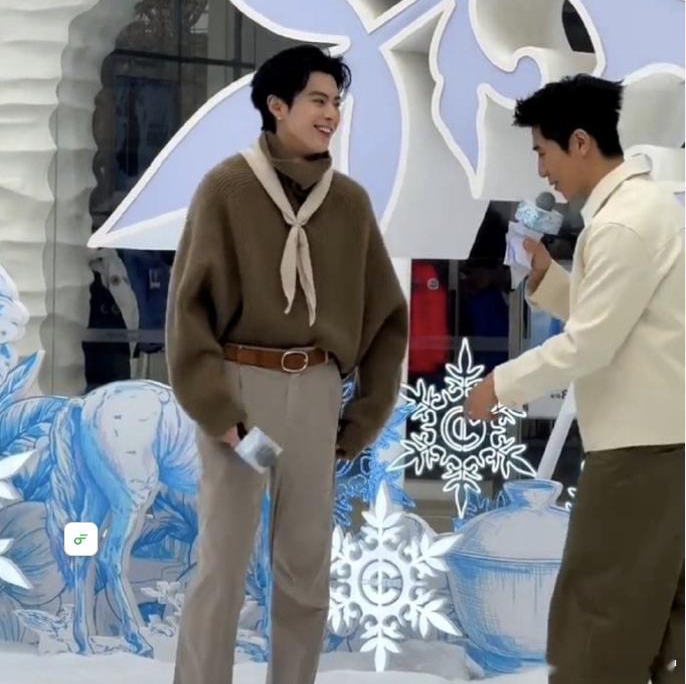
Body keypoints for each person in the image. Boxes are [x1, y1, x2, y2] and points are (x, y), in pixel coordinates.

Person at [165, 44, 408, 684]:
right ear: (277, 105)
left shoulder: (349, 204)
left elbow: (388, 317)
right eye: (318, 100)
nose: (332, 114)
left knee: (305, 566)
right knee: (223, 562)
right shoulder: (227, 188)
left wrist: (362, 419)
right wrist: (216, 408)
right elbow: (189, 309)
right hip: (243, 393)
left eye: (337, 102)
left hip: (317, 395)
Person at [467, 74, 684, 684]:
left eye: (543, 151)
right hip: (657, 442)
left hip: (641, 452)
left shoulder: (622, 225)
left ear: (581, 142)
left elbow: (590, 342)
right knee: (659, 616)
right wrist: (547, 277)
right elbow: (620, 319)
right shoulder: (638, 211)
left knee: (599, 611)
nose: (542, 170)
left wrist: (499, 386)